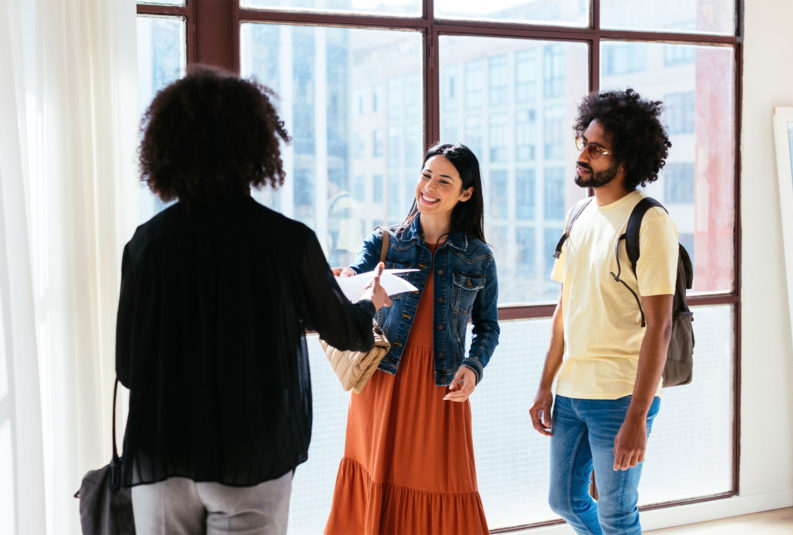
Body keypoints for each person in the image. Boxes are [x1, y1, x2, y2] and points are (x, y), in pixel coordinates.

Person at [115, 65, 390, 535]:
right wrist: (371, 303)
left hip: (162, 453)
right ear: (255, 147)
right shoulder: (287, 241)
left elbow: (129, 367)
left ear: (167, 149)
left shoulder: (146, 244)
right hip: (252, 453)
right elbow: (346, 332)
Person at [325, 143, 500, 535]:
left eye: (443, 180)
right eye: (425, 175)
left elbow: (488, 327)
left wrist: (473, 368)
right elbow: (351, 281)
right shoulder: (385, 241)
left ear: (466, 193)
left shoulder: (479, 258)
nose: (429, 187)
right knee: (375, 474)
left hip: (441, 387)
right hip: (382, 381)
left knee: (445, 482)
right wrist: (350, 285)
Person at [529, 88, 678, 535]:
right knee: (565, 499)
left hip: (620, 395)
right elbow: (564, 311)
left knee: (616, 513)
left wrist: (638, 416)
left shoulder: (649, 222)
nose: (584, 155)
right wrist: (544, 387)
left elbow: (661, 326)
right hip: (573, 391)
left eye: (596, 148)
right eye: (584, 143)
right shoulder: (578, 214)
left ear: (626, 159)